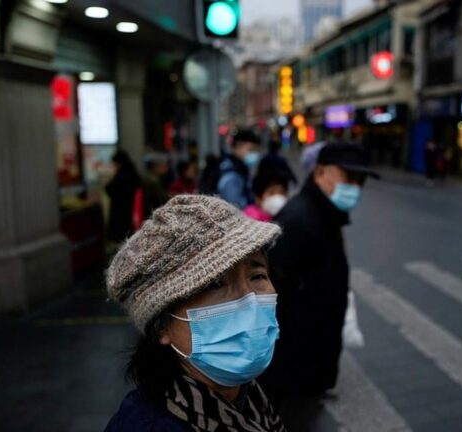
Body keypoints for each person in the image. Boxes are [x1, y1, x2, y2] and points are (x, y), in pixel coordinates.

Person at [104, 195, 285, 432]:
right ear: (162, 326)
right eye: (215, 285)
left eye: (257, 276)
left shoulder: (250, 399)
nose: (249, 299)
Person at [258, 144, 380, 414]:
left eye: (361, 181)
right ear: (321, 172)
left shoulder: (325, 213)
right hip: (293, 365)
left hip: (310, 353)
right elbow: (269, 294)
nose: (356, 187)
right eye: (349, 177)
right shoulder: (300, 219)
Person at [219, 130, 262, 209]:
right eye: (251, 150)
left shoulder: (241, 169)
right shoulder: (231, 175)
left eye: (256, 150)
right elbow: (235, 207)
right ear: (237, 148)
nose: (254, 154)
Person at [105, 150, 140, 241]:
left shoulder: (121, 176)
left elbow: (110, 189)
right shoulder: (132, 172)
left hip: (121, 211)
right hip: (131, 210)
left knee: (121, 235)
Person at [141, 153, 170, 218]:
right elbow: (161, 199)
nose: (166, 169)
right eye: (163, 166)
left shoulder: (150, 177)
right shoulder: (153, 181)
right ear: (156, 167)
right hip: (151, 213)